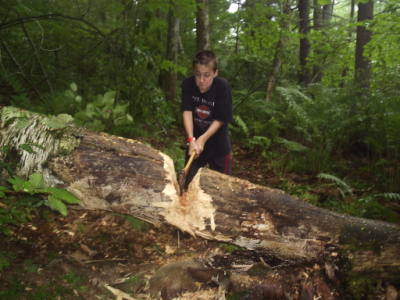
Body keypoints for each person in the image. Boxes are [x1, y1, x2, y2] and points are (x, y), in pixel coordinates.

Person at [181, 50, 233, 188]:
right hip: (195, 146)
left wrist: (202, 139)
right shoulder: (188, 85)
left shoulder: (222, 87)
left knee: (222, 188)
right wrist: (191, 139)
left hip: (218, 145)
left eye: (206, 75)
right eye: (198, 75)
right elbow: (187, 111)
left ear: (215, 73)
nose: (201, 81)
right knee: (188, 185)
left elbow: (221, 118)